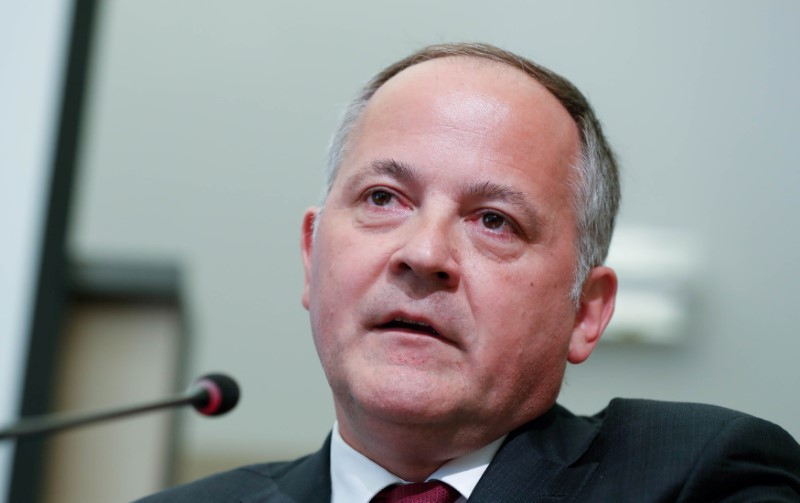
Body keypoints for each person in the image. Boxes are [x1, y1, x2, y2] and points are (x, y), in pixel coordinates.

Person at [138, 42, 800, 502]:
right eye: (382, 199)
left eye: (494, 221)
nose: (423, 254)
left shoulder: (701, 475)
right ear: (313, 257)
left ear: (586, 310)